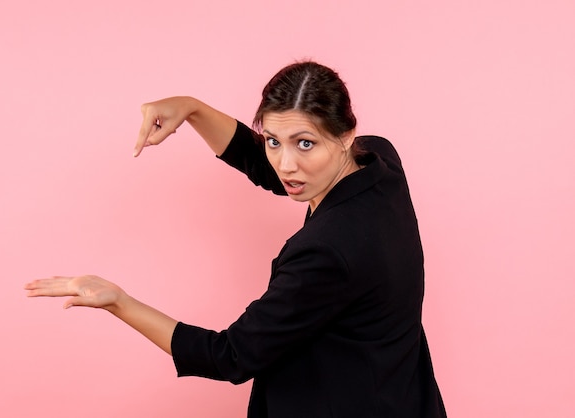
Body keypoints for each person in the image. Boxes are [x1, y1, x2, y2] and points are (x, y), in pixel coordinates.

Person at [25, 61, 447, 417]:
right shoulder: (378, 161)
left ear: (344, 136)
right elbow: (274, 173)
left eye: (305, 144)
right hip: (402, 394)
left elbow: (230, 355)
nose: (286, 165)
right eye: (272, 141)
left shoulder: (326, 252)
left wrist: (118, 300)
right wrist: (193, 109)